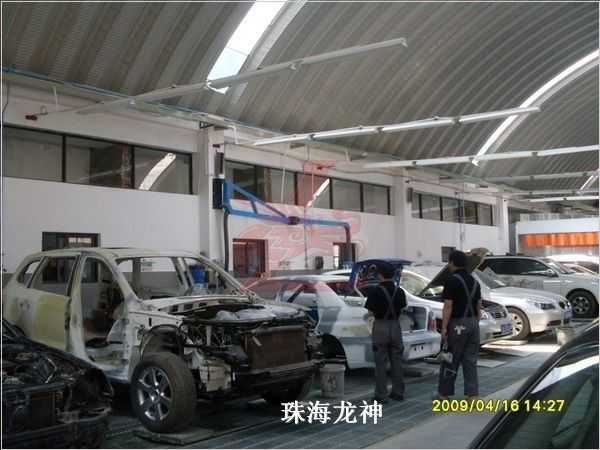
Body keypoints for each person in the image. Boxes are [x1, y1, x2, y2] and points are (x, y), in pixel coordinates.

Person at [436, 250, 481, 399]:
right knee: (470, 361)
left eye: (449, 262)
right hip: (473, 323)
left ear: (452, 262)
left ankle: (444, 394)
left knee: (450, 359)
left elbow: (448, 306)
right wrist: (474, 323)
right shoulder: (475, 281)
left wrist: (444, 328)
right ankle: (472, 395)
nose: (448, 265)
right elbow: (479, 307)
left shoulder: (451, 281)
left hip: (457, 324)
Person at [364, 263, 407, 403]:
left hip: (380, 326)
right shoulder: (400, 291)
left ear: (380, 275)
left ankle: (381, 395)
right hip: (395, 326)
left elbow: (370, 311)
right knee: (397, 361)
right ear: (393, 275)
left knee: (380, 363)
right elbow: (403, 309)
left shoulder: (375, 291)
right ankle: (398, 393)